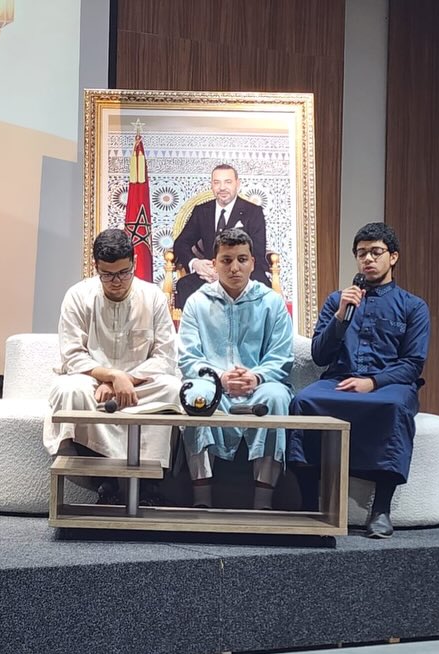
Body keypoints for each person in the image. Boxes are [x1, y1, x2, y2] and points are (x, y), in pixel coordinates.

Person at [286, 222, 430, 538]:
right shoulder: (338, 300)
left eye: (376, 252)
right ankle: (309, 504)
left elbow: (412, 364)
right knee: (303, 401)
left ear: (393, 257)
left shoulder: (413, 306)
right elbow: (320, 355)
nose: (368, 259)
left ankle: (381, 510)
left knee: (393, 408)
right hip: (340, 380)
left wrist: (373, 383)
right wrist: (340, 316)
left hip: (390, 386)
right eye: (362, 253)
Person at [44, 228, 182, 504]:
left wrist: (126, 380)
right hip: (92, 381)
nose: (116, 282)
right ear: (96, 267)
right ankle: (104, 481)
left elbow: (165, 356)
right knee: (69, 391)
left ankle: (147, 484)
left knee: (172, 389)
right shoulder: (78, 296)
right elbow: (72, 354)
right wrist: (109, 376)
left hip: (140, 385)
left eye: (123, 273)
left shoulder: (153, 296)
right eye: (107, 275)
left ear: (134, 263)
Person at [178, 228, 294, 509]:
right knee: (196, 395)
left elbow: (281, 356)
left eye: (242, 259)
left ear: (252, 263)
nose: (234, 267)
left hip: (259, 386)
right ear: (214, 264)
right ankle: (202, 498)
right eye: (226, 260)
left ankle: (263, 500)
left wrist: (256, 376)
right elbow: (189, 358)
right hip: (214, 385)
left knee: (277, 396)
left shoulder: (271, 302)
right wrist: (220, 378)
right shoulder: (197, 302)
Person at [172, 164, 269, 310]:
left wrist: (226, 275)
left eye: (227, 182)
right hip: (209, 275)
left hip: (244, 275)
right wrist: (195, 264)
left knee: (259, 287)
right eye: (217, 182)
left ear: (237, 184)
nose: (222, 188)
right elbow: (181, 244)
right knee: (184, 285)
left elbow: (257, 253)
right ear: (211, 185)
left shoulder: (253, 212)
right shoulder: (202, 211)